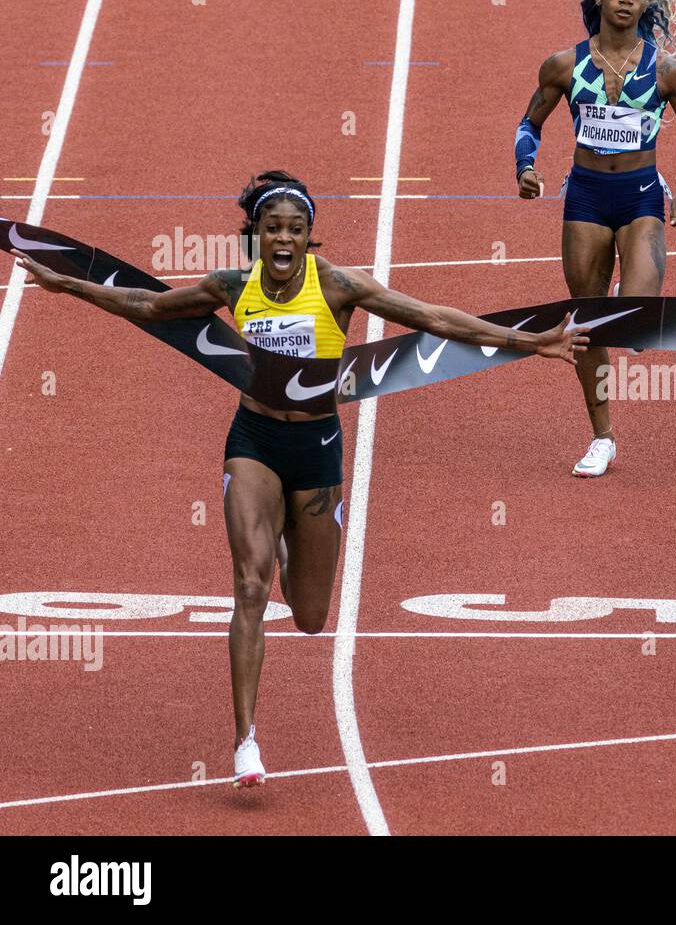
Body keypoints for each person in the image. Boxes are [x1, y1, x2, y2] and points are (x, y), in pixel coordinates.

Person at [13, 170, 588, 784]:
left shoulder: (338, 286)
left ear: (310, 236)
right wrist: (68, 284)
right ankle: (245, 742)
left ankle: (288, 539)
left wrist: (528, 341)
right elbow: (150, 305)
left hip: (315, 451)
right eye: (271, 228)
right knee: (250, 586)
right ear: (254, 235)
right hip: (254, 442)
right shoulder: (234, 285)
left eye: (295, 229)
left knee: (311, 616)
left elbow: (435, 319)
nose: (283, 239)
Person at [515, 0, 676, 477]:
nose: (626, 0)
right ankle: (602, 437)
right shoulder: (564, 64)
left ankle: (631, 303)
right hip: (585, 197)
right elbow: (529, 124)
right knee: (587, 323)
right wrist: (525, 168)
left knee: (637, 317)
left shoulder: (667, 72)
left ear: (649, 4)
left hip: (642, 192)